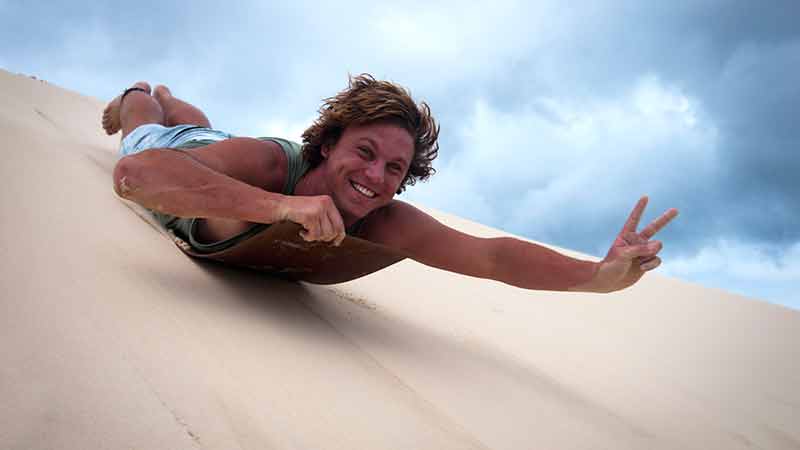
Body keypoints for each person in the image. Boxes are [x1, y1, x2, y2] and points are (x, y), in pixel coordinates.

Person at [107, 74, 678, 293]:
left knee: (201, 120)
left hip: (212, 140)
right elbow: (136, 176)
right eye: (365, 152)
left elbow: (492, 257)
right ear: (329, 144)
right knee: (152, 127)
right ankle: (139, 91)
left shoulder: (382, 220)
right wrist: (281, 208)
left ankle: (171, 95)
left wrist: (601, 277)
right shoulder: (273, 166)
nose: (375, 177)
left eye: (395, 169)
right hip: (177, 156)